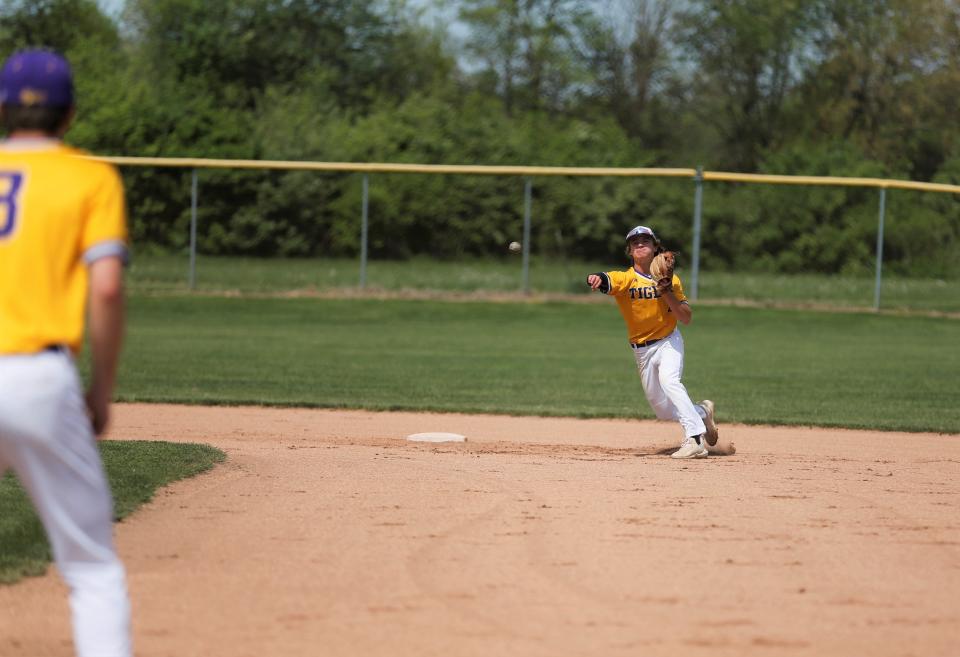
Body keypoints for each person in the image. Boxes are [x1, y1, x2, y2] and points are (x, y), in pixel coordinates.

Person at [0, 50, 132, 657]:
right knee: (91, 567)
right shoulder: (90, 177)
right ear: (70, 113)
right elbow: (105, 285)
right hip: (37, 376)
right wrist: (100, 392)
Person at [587, 225, 719, 459]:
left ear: (655, 247)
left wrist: (666, 290)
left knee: (670, 381)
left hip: (668, 341)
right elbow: (607, 279)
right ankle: (701, 412)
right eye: (635, 242)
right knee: (663, 409)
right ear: (629, 250)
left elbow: (686, 318)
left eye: (645, 240)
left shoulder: (672, 280)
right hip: (642, 350)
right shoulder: (627, 279)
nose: (640, 244)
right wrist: (596, 278)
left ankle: (695, 440)